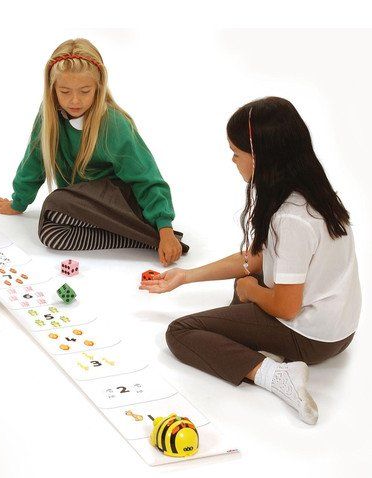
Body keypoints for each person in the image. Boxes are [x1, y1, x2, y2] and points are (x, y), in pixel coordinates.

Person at [140, 97, 361, 424]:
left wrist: (250, 291)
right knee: (245, 280)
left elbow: (286, 307)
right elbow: (254, 260)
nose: (232, 160)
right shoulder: (313, 195)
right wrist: (186, 276)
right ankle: (258, 346)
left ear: (259, 158)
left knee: (181, 332)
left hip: (313, 337)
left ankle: (274, 374)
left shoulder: (292, 219)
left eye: (236, 153)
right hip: (339, 327)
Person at [0, 38, 187, 266]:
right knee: (50, 232)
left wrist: (165, 228)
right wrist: (18, 202)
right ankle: (137, 238)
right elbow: (34, 160)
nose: (75, 100)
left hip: (119, 203)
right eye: (65, 91)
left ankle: (147, 234)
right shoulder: (49, 116)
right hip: (82, 204)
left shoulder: (114, 124)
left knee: (54, 203)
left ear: (99, 87)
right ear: (52, 89)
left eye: (85, 91)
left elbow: (147, 178)